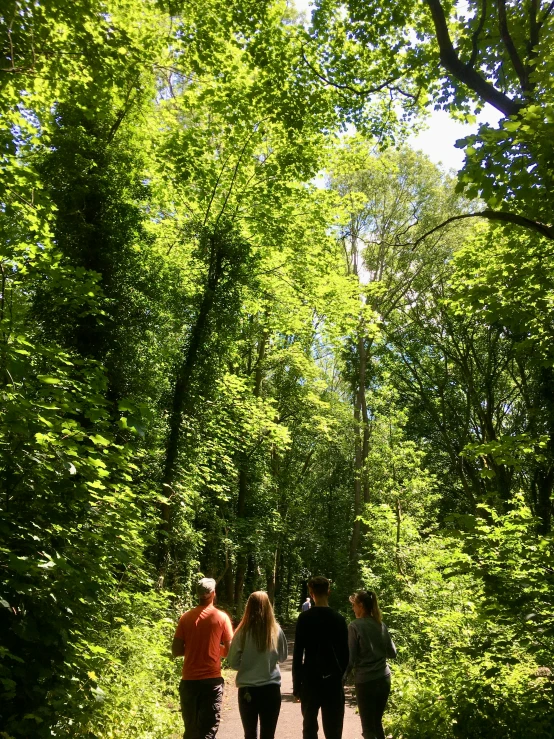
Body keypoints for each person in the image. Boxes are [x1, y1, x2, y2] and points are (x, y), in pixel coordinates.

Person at [172, 577, 234, 739]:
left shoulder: (185, 617)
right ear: (213, 593)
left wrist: (194, 648)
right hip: (211, 682)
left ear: (197, 595)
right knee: (208, 731)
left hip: (189, 681)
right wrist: (213, 649)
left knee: (191, 730)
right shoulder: (221, 618)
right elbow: (229, 651)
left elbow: (176, 650)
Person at [293, 576, 349, 739]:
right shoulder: (339, 619)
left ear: (311, 593)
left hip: (310, 680)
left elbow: (298, 654)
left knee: (309, 728)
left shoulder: (304, 619)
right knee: (333, 729)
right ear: (329, 592)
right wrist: (340, 677)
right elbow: (345, 654)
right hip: (332, 680)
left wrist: (297, 686)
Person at [228, 591, 288, 739]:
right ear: (269, 607)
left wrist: (247, 666)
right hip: (271, 689)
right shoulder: (276, 630)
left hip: (248, 690)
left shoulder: (241, 632)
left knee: (249, 734)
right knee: (268, 734)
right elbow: (282, 657)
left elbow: (232, 662)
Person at [346, 590, 397, 739]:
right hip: (384, 678)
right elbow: (393, 653)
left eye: (354, 605)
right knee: (376, 722)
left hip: (365, 681)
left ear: (361, 606)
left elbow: (351, 658)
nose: (353, 609)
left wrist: (343, 677)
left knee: (368, 728)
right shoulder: (381, 625)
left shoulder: (354, 626)